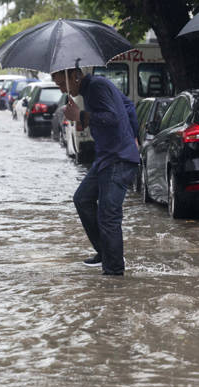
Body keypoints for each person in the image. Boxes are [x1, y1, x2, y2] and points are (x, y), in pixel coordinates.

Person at [54, 67, 139, 276]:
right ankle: (105, 252)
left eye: (62, 83)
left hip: (118, 159)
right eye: (58, 85)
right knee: (82, 199)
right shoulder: (92, 88)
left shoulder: (97, 86)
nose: (61, 88)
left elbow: (112, 117)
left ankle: (114, 273)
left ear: (75, 76)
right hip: (106, 158)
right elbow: (127, 106)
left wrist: (82, 115)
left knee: (108, 215)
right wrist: (133, 136)